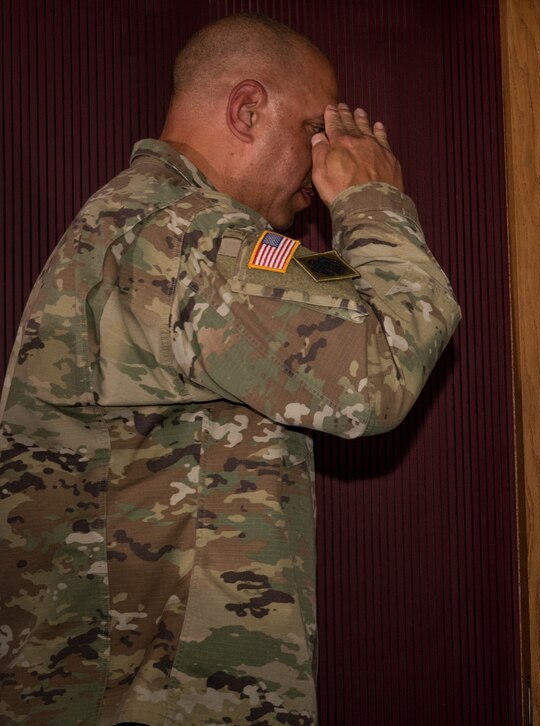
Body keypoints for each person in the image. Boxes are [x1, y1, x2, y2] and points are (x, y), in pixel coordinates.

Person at [0, 13, 460, 726]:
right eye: (314, 130)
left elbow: (331, 301)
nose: (321, 163)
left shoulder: (166, 228)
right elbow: (384, 362)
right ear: (248, 109)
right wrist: (376, 201)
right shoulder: (185, 234)